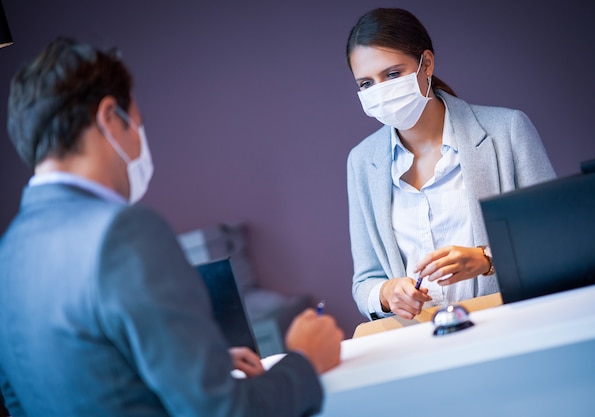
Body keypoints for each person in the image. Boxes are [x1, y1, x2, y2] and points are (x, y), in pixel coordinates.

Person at [0, 37, 343, 417]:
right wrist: (305, 362)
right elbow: (224, 411)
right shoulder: (124, 233)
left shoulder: (9, 252)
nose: (139, 142)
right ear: (111, 119)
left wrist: (195, 363)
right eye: (137, 126)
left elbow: (29, 396)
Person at [345, 8, 556, 321]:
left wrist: (486, 260)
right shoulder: (362, 162)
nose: (380, 91)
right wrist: (387, 294)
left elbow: (554, 240)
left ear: (426, 64)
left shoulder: (507, 130)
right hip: (420, 342)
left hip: (508, 323)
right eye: (366, 84)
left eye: (392, 74)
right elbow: (365, 282)